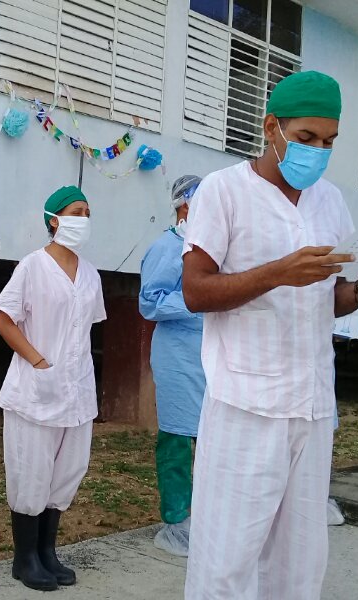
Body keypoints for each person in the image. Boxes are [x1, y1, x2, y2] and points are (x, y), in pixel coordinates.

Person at [181, 71, 358, 599]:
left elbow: (330, 300)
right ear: (271, 128)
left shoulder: (329, 202)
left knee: (299, 558)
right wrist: (277, 272)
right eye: (306, 138)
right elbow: (195, 291)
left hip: (311, 403)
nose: (318, 152)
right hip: (246, 403)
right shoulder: (224, 191)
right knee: (227, 556)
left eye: (329, 143)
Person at [0, 185, 105, 591]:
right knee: (31, 474)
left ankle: (47, 553)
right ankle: (24, 560)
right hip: (35, 391)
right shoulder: (32, 266)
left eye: (89, 212)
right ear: (54, 220)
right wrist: (39, 361)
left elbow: (84, 328)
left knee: (65, 473)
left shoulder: (91, 274)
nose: (84, 219)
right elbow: (4, 319)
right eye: (77, 211)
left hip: (77, 392)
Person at [138, 174, 205, 557]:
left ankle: (210, 514)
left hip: (214, 354)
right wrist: (199, 302)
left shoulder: (211, 250)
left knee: (215, 439)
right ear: (184, 206)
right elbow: (151, 302)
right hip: (179, 356)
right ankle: (176, 520)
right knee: (178, 437)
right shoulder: (168, 247)